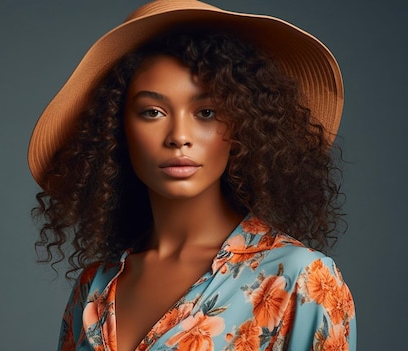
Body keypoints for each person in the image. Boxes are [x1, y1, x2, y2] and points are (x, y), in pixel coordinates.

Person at [28, 1, 356, 350]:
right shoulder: (94, 287)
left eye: (206, 112)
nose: (178, 136)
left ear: (244, 125)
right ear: (115, 129)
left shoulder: (300, 279)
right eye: (152, 112)